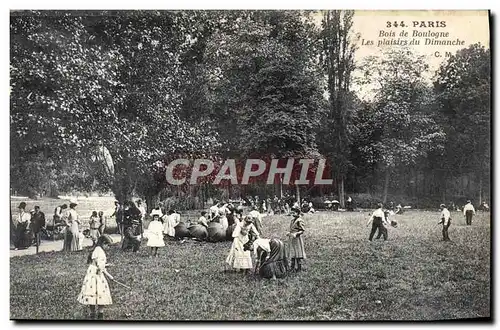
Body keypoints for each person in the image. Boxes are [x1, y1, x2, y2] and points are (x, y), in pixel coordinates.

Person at [77, 234, 114, 320]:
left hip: (91, 273)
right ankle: (100, 313)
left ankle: (92, 313)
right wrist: (110, 276)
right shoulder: (101, 253)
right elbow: (101, 267)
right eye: (108, 245)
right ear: (104, 243)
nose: (108, 247)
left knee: (92, 291)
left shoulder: (96, 249)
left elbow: (96, 263)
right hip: (97, 275)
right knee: (101, 291)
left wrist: (106, 265)